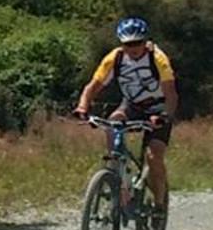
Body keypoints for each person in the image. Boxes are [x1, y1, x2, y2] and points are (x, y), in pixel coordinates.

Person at [74, 16, 179, 212]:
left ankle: (159, 204)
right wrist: (82, 107)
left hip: (158, 107)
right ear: (121, 44)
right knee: (113, 123)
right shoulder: (116, 58)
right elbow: (93, 86)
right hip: (132, 105)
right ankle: (121, 185)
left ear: (145, 41)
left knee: (153, 155)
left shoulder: (157, 58)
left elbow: (171, 94)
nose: (133, 48)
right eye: (128, 44)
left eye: (137, 43)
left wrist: (164, 115)